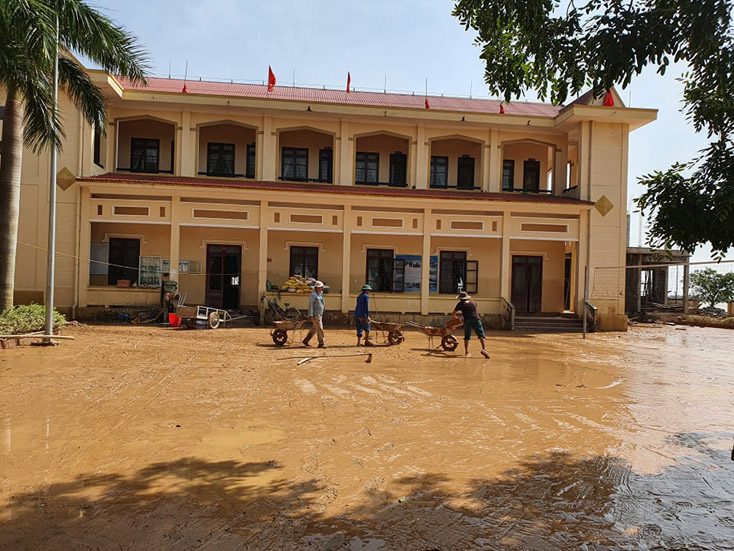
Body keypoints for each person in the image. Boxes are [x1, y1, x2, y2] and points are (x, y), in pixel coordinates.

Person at [452, 291, 490, 359]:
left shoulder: (460, 304)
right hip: (476, 319)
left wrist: (454, 317)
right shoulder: (474, 302)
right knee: (481, 334)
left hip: (467, 320)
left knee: (467, 336)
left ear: (461, 298)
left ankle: (466, 352)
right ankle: (484, 349)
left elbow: (454, 312)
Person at [302, 281, 326, 348]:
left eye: (321, 288)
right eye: (320, 288)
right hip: (315, 315)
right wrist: (311, 315)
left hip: (319, 314)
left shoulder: (320, 294)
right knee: (320, 328)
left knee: (315, 329)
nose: (321, 289)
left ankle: (306, 340)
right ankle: (321, 343)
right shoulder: (313, 295)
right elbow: (311, 305)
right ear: (316, 288)